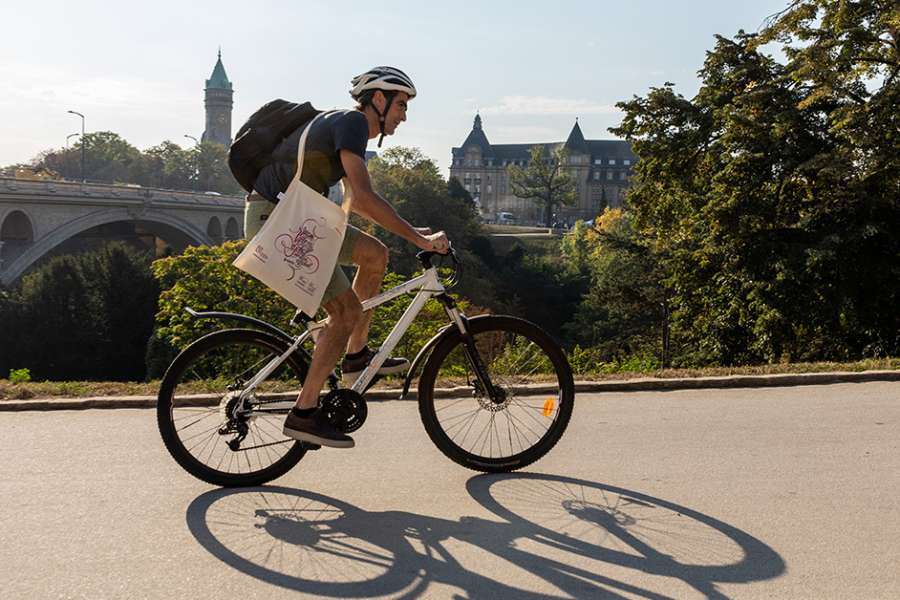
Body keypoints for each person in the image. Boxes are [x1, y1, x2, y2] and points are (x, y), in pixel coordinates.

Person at [244, 66, 449, 449]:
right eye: (401, 104)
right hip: (279, 220)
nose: (404, 115)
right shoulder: (353, 123)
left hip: (298, 217)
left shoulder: (344, 127)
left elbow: (354, 202)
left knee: (375, 255)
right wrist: (420, 240)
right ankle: (304, 415)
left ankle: (355, 355)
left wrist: (411, 233)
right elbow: (366, 197)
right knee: (345, 312)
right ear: (378, 100)